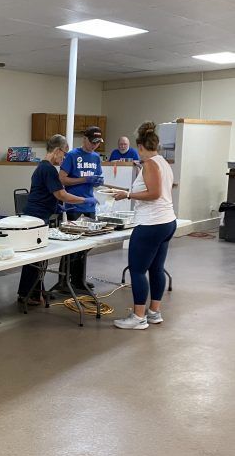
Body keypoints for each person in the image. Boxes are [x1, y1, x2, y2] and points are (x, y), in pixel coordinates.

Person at [17, 135, 98, 304]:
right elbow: (61, 194)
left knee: (39, 259)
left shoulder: (43, 167)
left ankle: (35, 292)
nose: (64, 158)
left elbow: (45, 194)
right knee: (35, 259)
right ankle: (28, 294)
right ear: (57, 150)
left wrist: (56, 207)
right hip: (36, 219)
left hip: (39, 216)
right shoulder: (48, 169)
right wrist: (84, 200)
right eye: (64, 154)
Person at [112, 122, 177, 329]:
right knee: (156, 269)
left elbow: (154, 194)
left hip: (151, 224)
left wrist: (128, 194)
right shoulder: (163, 162)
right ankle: (154, 312)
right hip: (166, 222)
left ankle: (138, 317)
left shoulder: (149, 164)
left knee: (138, 270)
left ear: (140, 147)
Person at [57, 125, 105, 290]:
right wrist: (84, 180)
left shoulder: (96, 157)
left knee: (86, 245)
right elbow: (62, 179)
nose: (95, 145)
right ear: (84, 139)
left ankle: (78, 280)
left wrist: (97, 181)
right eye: (92, 142)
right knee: (73, 245)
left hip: (89, 205)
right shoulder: (72, 155)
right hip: (74, 206)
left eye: (97, 143)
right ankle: (64, 280)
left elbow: (96, 179)